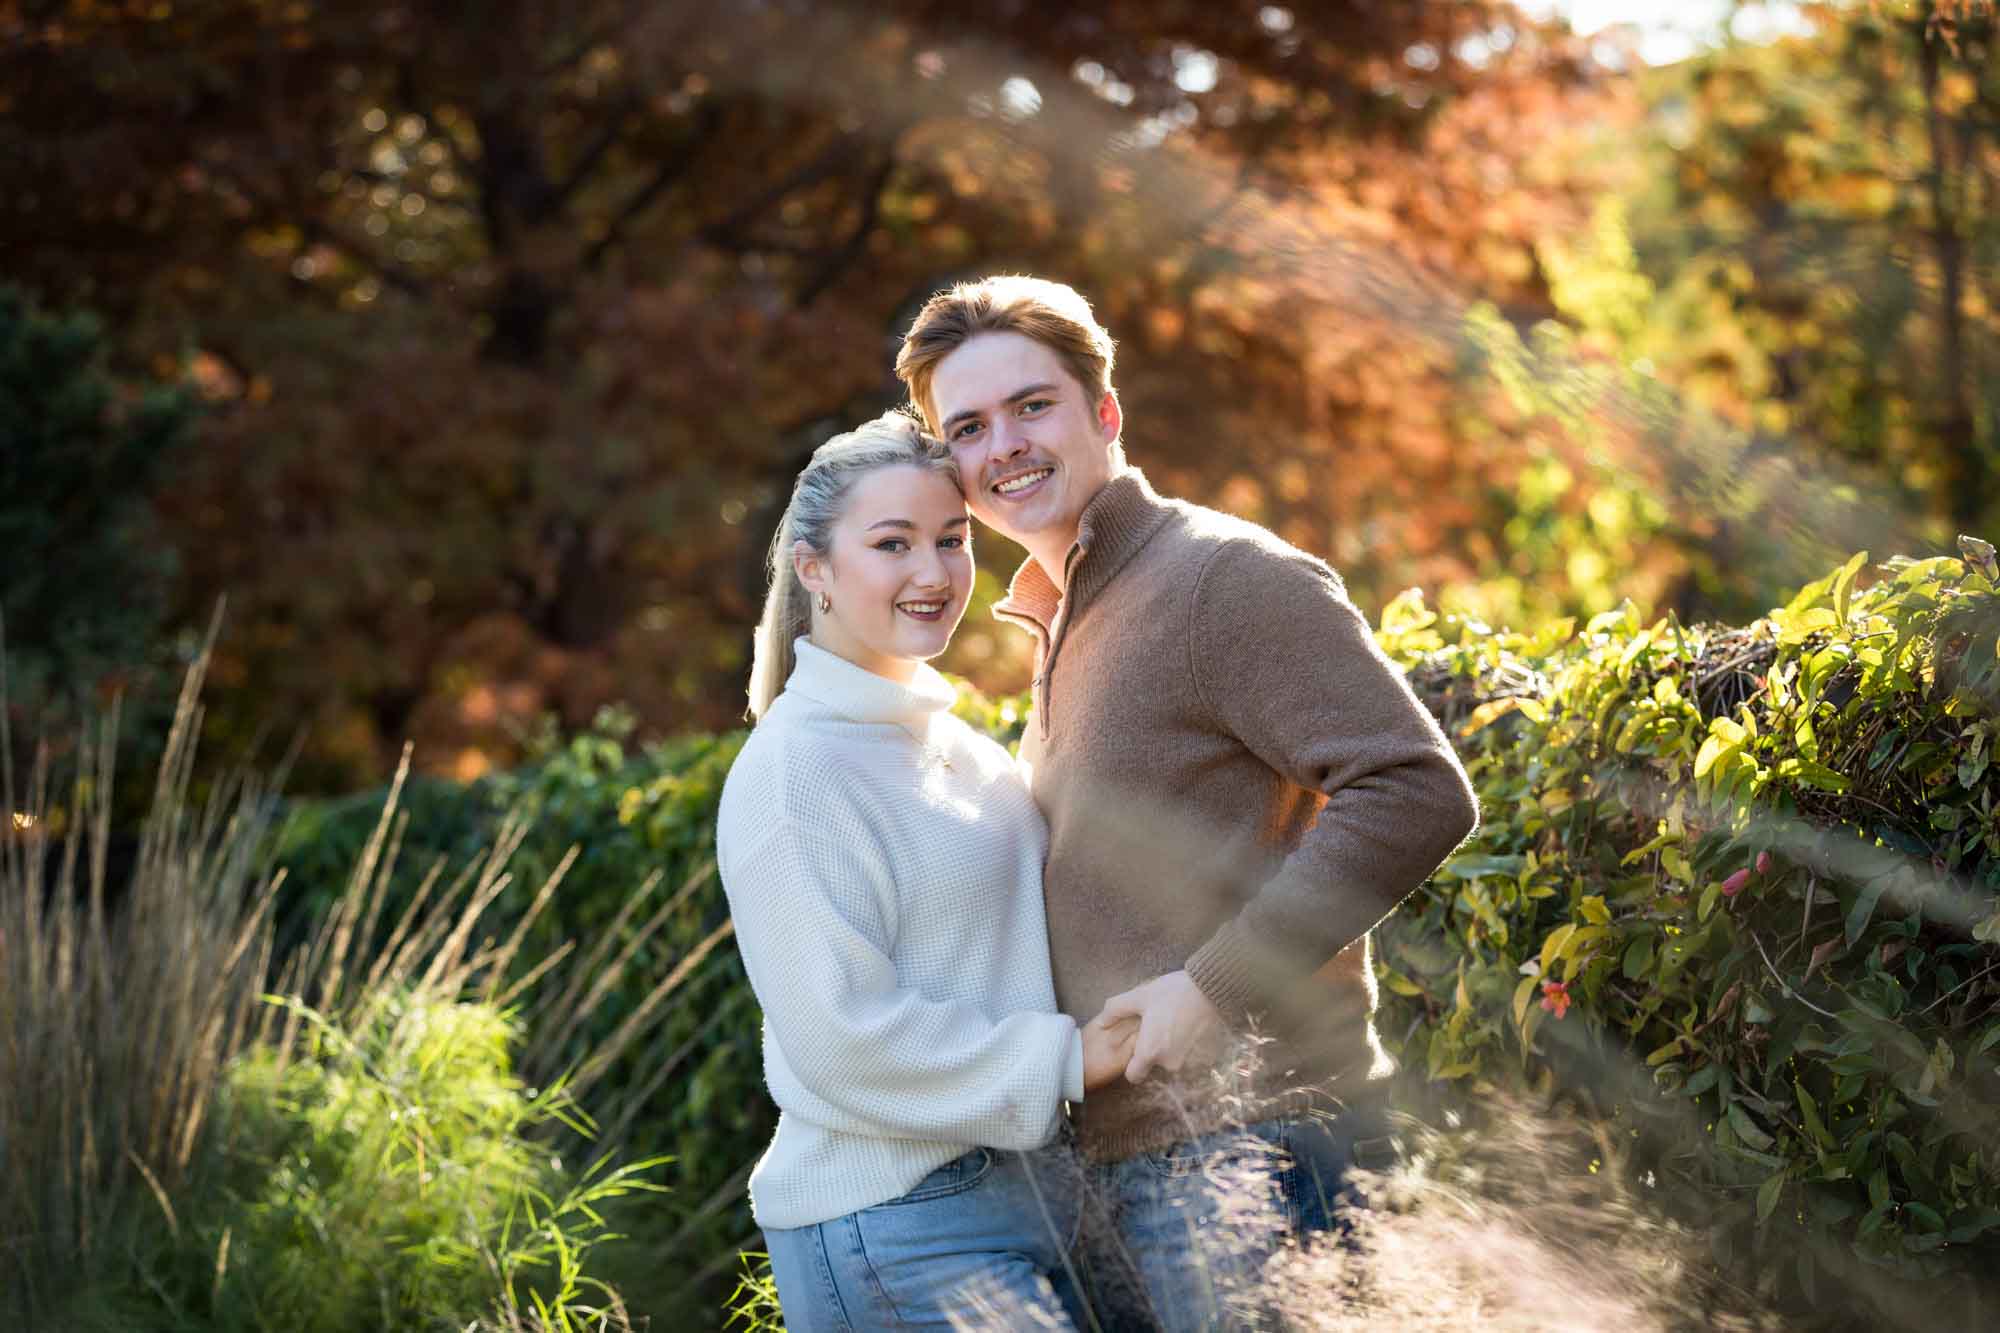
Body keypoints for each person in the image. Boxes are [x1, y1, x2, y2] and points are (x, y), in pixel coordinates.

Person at [896, 275, 1482, 1329]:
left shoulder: (1220, 577)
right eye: (968, 428)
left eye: (1032, 406)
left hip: (1256, 1149)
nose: (1003, 447)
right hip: (1144, 1164)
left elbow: (1414, 789)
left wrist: (1211, 987)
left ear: (1104, 413)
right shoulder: (1067, 616)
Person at [716, 411, 1136, 1331]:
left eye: (951, 539)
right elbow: (842, 1034)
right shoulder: (797, 773)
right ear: (813, 568)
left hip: (1040, 1194)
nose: (934, 572)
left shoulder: (954, 744)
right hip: (897, 1223)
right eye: (892, 543)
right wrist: (1067, 1056)